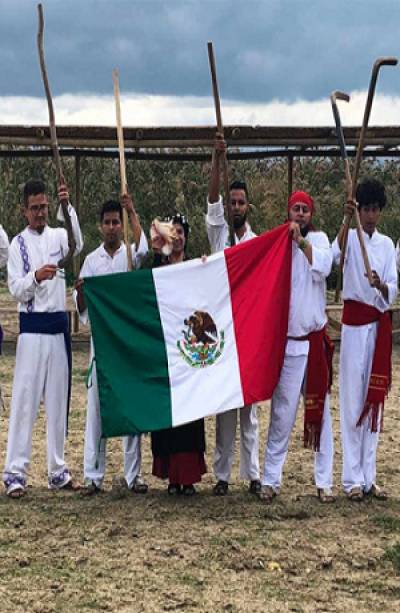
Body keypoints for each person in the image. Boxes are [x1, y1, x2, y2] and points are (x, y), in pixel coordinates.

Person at [3, 178, 83, 498]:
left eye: (45, 207)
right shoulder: (17, 245)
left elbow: (78, 242)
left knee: (57, 402)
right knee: (25, 401)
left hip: (57, 328)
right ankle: (15, 472)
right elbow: (15, 288)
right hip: (32, 330)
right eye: (35, 208)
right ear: (24, 211)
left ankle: (57, 469)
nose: (40, 213)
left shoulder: (59, 236)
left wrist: (68, 206)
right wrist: (36, 277)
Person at [259, 190, 335, 504]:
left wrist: (300, 242)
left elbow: (324, 267)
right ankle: (270, 480)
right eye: (295, 209)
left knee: (321, 416)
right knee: (281, 415)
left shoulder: (319, 240)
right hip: (290, 346)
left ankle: (324, 482)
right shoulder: (278, 244)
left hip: (314, 343)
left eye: (304, 209)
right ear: (288, 213)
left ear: (310, 215)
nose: (300, 214)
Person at [75, 196, 149, 494]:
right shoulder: (92, 262)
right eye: (106, 222)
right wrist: (81, 293)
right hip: (102, 346)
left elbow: (145, 246)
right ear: (99, 226)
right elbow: (82, 309)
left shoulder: (130, 256)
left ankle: (134, 476)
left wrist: (132, 211)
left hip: (127, 346)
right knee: (96, 411)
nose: (111, 227)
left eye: (116, 222)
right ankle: (93, 475)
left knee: (130, 408)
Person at [332, 178, 398, 500]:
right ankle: (351, 480)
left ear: (380, 212)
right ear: (359, 210)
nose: (370, 215)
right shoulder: (351, 235)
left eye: (374, 210)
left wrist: (381, 285)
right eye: (365, 209)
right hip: (354, 327)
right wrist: (346, 219)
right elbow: (335, 257)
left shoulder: (386, 245)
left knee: (373, 403)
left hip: (378, 326)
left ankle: (369, 477)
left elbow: (393, 288)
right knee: (352, 401)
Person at [206, 132, 260, 496]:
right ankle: (222, 475)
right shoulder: (219, 237)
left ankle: (253, 474)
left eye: (241, 202)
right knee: (224, 411)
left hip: (249, 333)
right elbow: (211, 200)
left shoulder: (257, 243)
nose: (236, 206)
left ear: (248, 206)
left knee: (250, 413)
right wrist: (217, 159)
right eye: (233, 201)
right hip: (224, 336)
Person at [150, 213, 207, 496]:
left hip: (189, 350)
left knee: (190, 415)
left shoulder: (198, 267)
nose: (178, 236)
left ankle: (189, 477)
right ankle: (172, 477)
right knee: (168, 415)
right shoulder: (158, 267)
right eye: (173, 232)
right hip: (166, 350)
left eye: (182, 232)